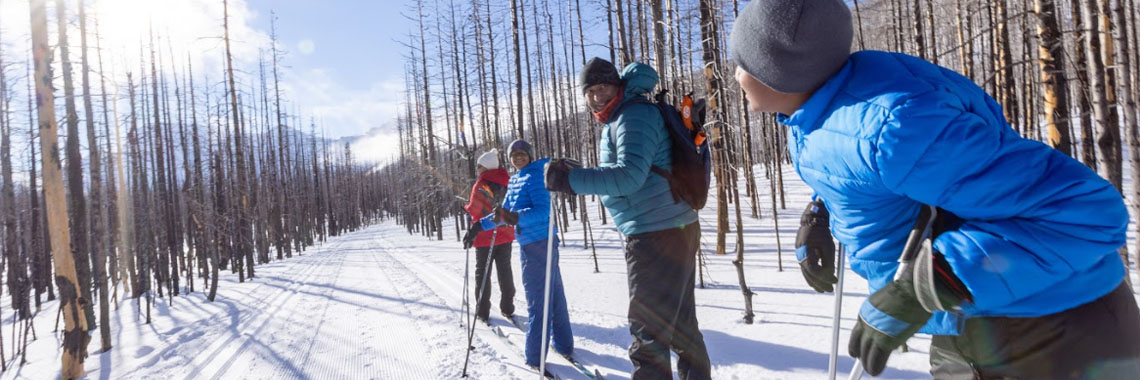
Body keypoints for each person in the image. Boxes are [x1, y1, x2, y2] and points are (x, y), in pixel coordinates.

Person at [729, 0, 1140, 378]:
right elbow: (883, 170)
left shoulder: (896, 126)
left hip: (1049, 330)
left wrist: (928, 284)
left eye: (743, 63)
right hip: (977, 314)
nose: (735, 75)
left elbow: (1086, 212)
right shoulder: (831, 104)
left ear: (780, 71)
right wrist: (819, 211)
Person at [545, 58, 711, 380]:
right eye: (590, 91)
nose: (597, 95)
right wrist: (581, 173)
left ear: (617, 85)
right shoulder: (626, 115)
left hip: (656, 233)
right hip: (671, 226)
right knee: (679, 325)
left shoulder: (632, 114)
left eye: (603, 87)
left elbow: (629, 176)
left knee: (648, 330)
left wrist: (572, 180)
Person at [480, 139, 574, 370]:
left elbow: (543, 212)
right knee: (554, 295)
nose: (518, 157)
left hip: (539, 242)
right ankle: (564, 345)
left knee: (537, 300)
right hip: (534, 242)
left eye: (522, 154)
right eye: (514, 155)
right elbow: (505, 214)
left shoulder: (534, 175)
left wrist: (515, 218)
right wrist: (478, 227)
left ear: (530, 155)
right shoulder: (517, 179)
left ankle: (534, 357)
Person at [462, 149, 517, 324]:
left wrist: (467, 208)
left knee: (483, 274)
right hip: (506, 234)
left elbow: (476, 210)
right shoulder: (508, 181)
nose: (477, 169)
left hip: (485, 236)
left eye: (480, 166)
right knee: (505, 271)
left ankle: (483, 311)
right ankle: (508, 308)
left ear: (486, 167)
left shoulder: (480, 184)